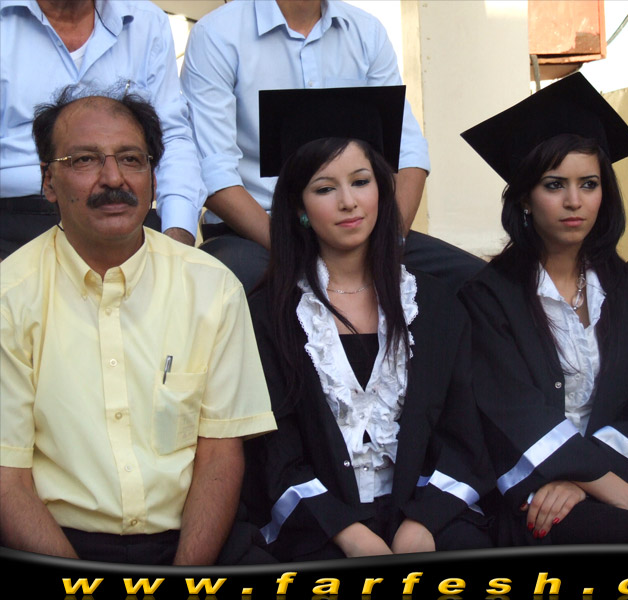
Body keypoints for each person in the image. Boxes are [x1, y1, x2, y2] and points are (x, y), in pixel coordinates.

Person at [0, 86, 276, 565]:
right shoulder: (10, 296)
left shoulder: (211, 287)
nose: (113, 179)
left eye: (131, 159)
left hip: (194, 541)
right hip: (56, 544)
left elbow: (220, 455)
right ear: (48, 182)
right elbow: (8, 480)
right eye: (84, 160)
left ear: (153, 176)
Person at [243, 86, 493, 561]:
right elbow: (275, 452)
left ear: (381, 188)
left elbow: (464, 433)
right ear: (298, 207)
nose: (348, 202)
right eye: (324, 189)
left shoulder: (435, 305)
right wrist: (351, 535)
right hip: (319, 522)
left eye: (361, 181)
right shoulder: (269, 315)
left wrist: (422, 523)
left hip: (424, 511)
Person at [459, 73, 628, 546]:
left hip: (619, 477)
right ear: (525, 198)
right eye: (554, 185)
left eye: (589, 184)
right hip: (534, 494)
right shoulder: (488, 299)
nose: (574, 202)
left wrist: (587, 483)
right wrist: (620, 496)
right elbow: (510, 414)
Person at [180, 0, 485, 292]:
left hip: (357, 230)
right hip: (256, 231)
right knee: (243, 291)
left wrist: (390, 240)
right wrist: (294, 249)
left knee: (480, 285)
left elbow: (407, 151)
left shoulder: (366, 31)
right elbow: (214, 170)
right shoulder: (218, 34)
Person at [0, 0, 204, 258]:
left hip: (125, 211)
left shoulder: (145, 21)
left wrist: (177, 238)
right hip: (18, 217)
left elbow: (172, 137)